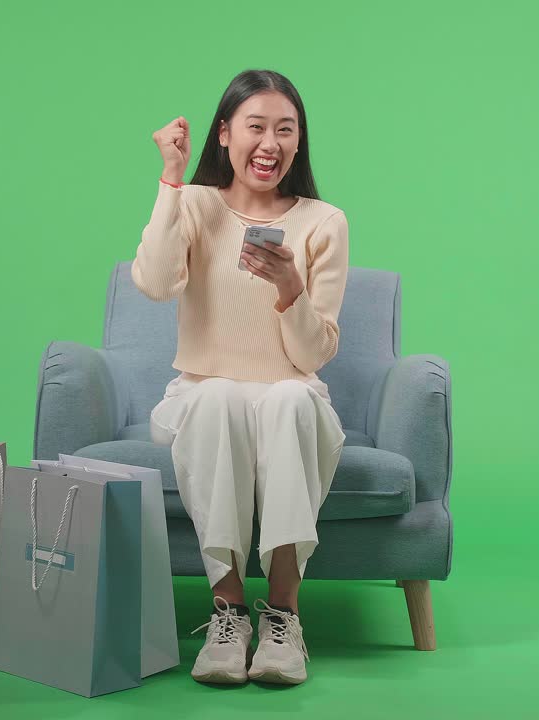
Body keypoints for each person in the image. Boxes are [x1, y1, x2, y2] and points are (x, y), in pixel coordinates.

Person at [131, 69, 350, 686]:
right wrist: (171, 181)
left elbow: (313, 355)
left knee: (285, 399)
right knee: (221, 395)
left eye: (286, 130)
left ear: (299, 142)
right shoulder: (195, 203)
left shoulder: (324, 221)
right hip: (206, 387)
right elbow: (153, 282)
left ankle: (283, 615)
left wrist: (288, 286)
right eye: (256, 127)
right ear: (224, 134)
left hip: (290, 389)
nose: (270, 143)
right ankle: (228, 612)